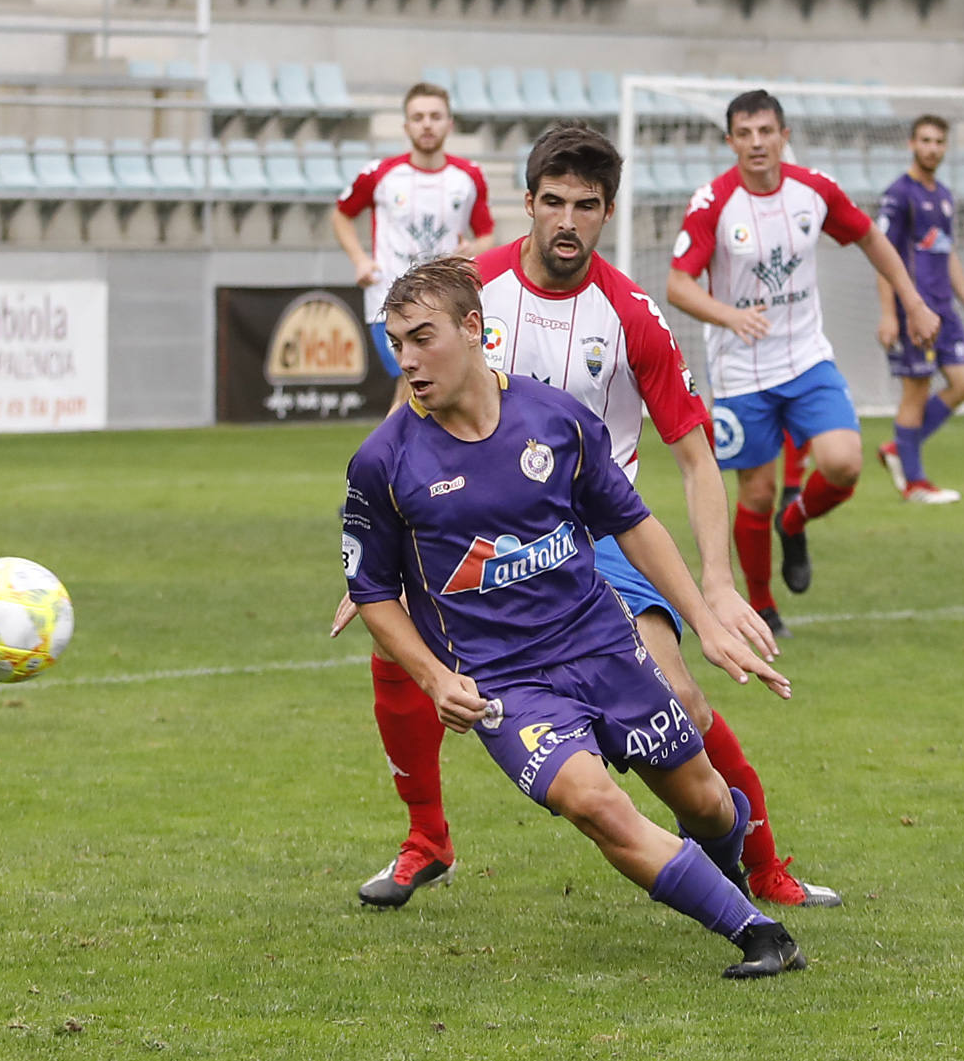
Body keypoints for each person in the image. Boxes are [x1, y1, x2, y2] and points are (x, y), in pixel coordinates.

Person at [343, 121, 841, 912]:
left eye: (586, 205)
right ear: (529, 203)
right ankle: (426, 838)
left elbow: (694, 456)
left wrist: (715, 586)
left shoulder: (632, 314)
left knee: (682, 700)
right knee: (393, 644)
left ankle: (760, 864)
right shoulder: (473, 291)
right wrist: (381, 546)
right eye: (553, 202)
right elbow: (412, 394)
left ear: (608, 210)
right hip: (472, 526)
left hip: (596, 534)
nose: (567, 221)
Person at [665, 89, 941, 637]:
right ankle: (764, 606)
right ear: (731, 142)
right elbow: (678, 285)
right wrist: (729, 315)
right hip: (741, 370)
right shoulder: (713, 202)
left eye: (766, 131)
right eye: (745, 134)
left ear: (783, 136)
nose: (757, 143)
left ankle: (794, 523)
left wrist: (912, 301)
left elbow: (870, 238)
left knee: (844, 464)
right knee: (756, 493)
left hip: (807, 358)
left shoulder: (814, 190)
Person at [332, 81, 496, 413]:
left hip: (445, 302)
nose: (427, 124)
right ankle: (391, 447)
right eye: (418, 117)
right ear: (406, 126)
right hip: (388, 299)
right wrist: (360, 260)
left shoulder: (469, 177)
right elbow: (341, 214)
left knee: (428, 394)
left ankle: (395, 445)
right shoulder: (380, 174)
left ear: (449, 124)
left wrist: (471, 253)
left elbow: (486, 234)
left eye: (435, 116)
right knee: (411, 385)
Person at [874, 114, 964, 504]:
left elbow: (948, 252)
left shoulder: (944, 195)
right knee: (916, 392)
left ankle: (898, 449)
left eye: (939, 142)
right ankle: (915, 483)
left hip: (946, 311)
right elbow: (882, 255)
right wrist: (889, 313)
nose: (932, 148)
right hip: (914, 312)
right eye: (925, 140)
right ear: (912, 144)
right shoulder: (899, 194)